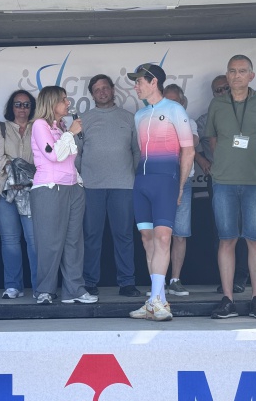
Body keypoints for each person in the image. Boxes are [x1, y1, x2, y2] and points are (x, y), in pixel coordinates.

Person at [206, 55, 256, 319]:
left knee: (255, 240)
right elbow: (213, 139)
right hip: (224, 181)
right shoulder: (217, 103)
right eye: (232, 71)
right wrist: (224, 163)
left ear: (252, 76)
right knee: (226, 240)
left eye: (242, 71)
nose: (237, 76)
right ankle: (228, 299)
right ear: (227, 75)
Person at [128, 63, 195, 322]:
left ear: (153, 82)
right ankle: (157, 300)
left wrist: (180, 185)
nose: (136, 86)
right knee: (147, 239)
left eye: (139, 81)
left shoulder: (175, 109)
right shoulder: (139, 115)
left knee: (163, 238)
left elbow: (188, 150)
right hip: (142, 182)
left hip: (166, 181)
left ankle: (156, 299)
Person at [30, 86, 97, 305]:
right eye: (63, 100)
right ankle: (44, 290)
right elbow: (53, 155)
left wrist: (68, 132)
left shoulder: (61, 126)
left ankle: (74, 290)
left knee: (74, 242)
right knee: (50, 242)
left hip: (73, 187)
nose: (68, 103)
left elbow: (69, 158)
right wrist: (71, 134)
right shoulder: (40, 125)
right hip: (49, 188)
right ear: (52, 103)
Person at [76, 74, 141, 298]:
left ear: (113, 90)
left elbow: (137, 151)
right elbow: (76, 154)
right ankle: (89, 282)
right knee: (91, 236)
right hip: (91, 186)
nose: (102, 92)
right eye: (97, 89)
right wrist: (81, 179)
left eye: (105, 88)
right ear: (92, 94)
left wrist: (131, 174)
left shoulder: (129, 118)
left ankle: (127, 283)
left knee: (124, 235)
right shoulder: (83, 120)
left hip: (123, 185)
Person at [196, 75, 249, 294]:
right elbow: (190, 143)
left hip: (244, 177)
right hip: (218, 179)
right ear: (213, 94)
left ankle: (240, 278)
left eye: (226, 88)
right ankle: (225, 279)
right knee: (222, 229)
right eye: (219, 90)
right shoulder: (204, 119)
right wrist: (202, 161)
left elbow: (251, 142)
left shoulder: (245, 114)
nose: (223, 92)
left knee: (243, 229)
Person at [0, 90, 38, 299]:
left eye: (26, 104)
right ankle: (13, 286)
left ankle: (39, 287)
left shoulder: (38, 127)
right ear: (11, 107)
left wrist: (20, 168)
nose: (22, 109)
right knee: (10, 241)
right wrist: (17, 169)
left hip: (32, 191)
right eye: (18, 104)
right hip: (5, 191)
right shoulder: (1, 128)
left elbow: (41, 158)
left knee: (34, 240)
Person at [162, 84, 199, 296]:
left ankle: (175, 280)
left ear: (183, 103)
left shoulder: (189, 123)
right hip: (160, 183)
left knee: (180, 234)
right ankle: (158, 282)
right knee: (159, 234)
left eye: (174, 102)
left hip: (183, 183)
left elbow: (192, 143)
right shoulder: (152, 124)